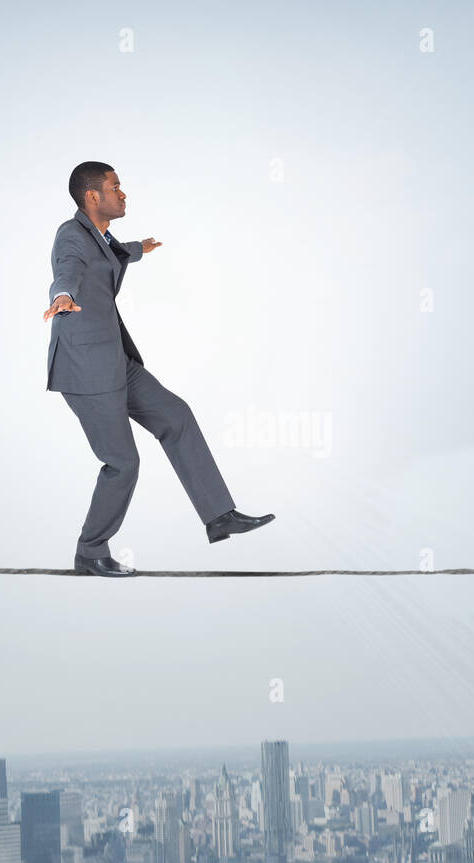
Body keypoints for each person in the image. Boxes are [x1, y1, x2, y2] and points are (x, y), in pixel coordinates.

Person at [42, 162, 274, 577]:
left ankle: (219, 515)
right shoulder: (70, 237)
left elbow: (111, 252)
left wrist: (138, 248)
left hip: (116, 360)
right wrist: (62, 296)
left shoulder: (100, 235)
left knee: (176, 415)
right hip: (86, 370)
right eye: (116, 188)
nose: (123, 194)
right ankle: (90, 550)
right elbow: (68, 271)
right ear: (92, 197)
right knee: (123, 463)